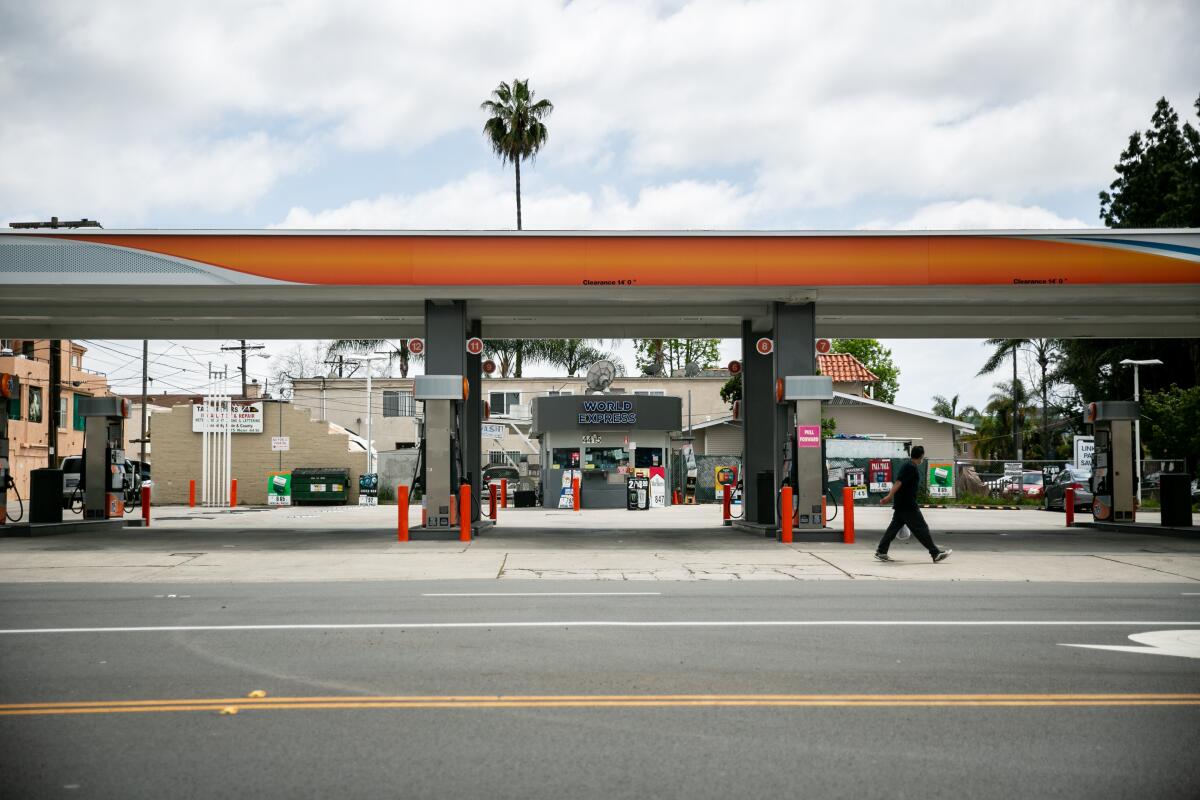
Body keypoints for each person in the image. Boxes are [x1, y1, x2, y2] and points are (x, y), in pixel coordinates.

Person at [875, 446, 951, 563]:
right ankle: (935, 553)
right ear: (921, 456)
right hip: (907, 504)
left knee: (893, 528)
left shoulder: (909, 465)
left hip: (903, 503)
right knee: (921, 528)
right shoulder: (910, 467)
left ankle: (881, 551)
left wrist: (891, 497)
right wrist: (889, 496)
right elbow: (899, 482)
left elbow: (900, 482)